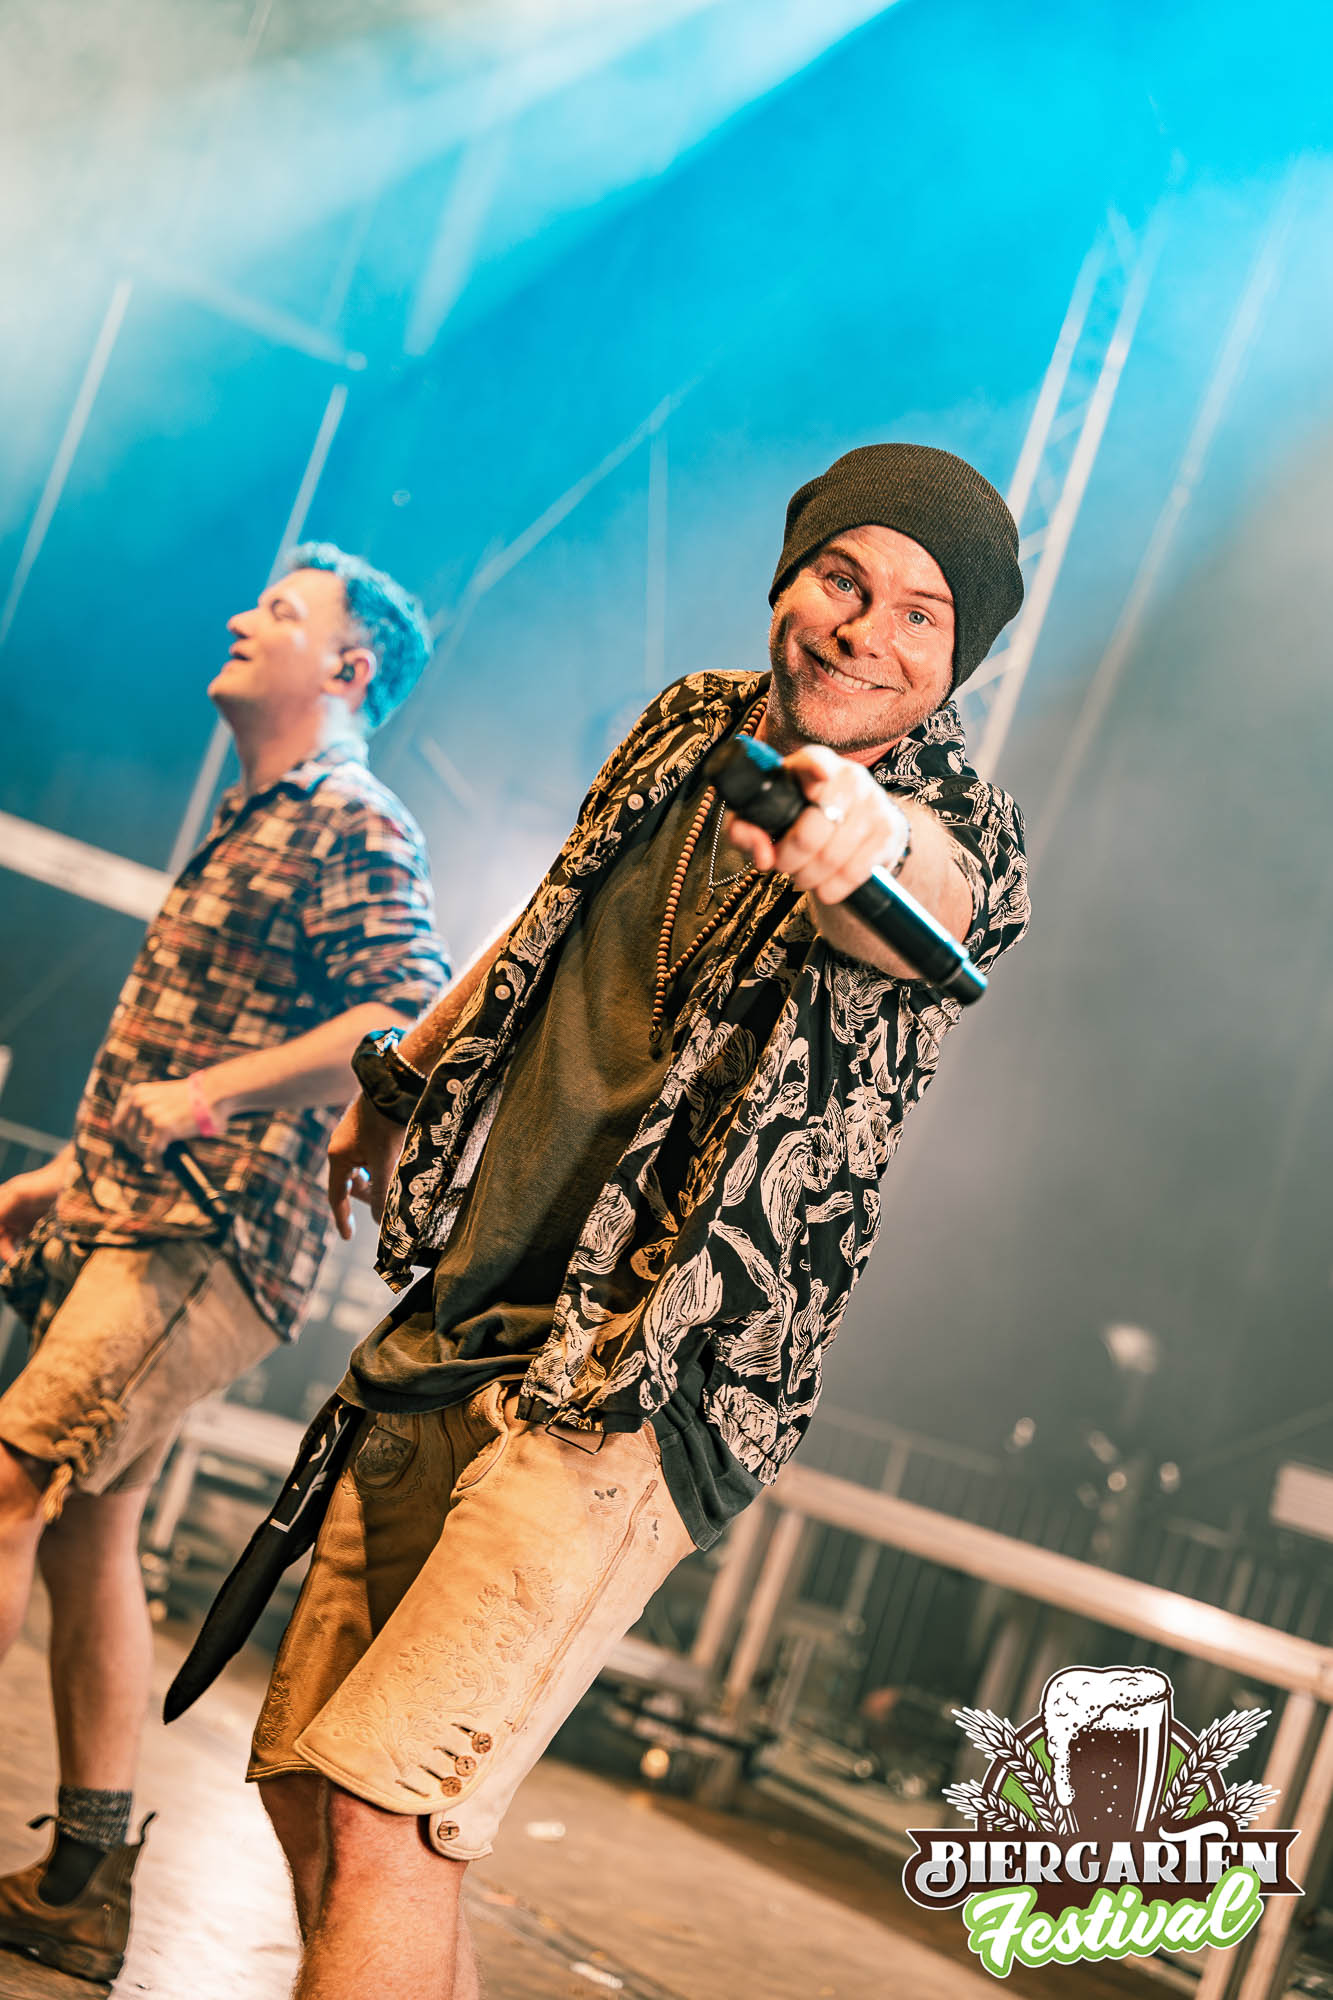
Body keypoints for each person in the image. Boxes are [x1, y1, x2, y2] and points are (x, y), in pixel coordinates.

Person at [177, 443, 1031, 2000]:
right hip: (469, 1314)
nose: (863, 631)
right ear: (788, 577)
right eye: (841, 579)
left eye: (921, 616)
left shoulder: (954, 816)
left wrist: (859, 835)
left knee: (386, 1810)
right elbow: (547, 915)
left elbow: (933, 902)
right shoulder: (690, 721)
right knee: (307, 1780)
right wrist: (400, 1077)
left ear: (957, 659)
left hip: (640, 1385)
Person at [0, 543, 450, 1982]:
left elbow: (403, 1012)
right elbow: (200, 1043)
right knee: (88, 1526)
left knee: (6, 1484)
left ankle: (83, 1876)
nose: (244, 619)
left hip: (207, 1239)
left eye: (282, 613)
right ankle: (84, 1882)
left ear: (348, 669)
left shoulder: (349, 817)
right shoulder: (255, 816)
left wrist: (210, 1099)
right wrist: (63, 1180)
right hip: (140, 1216)